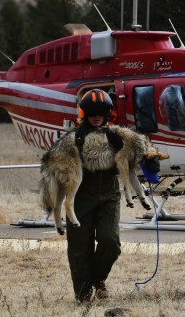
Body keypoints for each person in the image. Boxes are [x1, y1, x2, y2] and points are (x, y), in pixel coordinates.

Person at [68, 88, 124, 304]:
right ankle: (83, 295)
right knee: (80, 248)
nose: (97, 115)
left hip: (109, 194)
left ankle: (98, 278)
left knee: (110, 242)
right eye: (92, 111)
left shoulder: (117, 136)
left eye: (101, 111)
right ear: (84, 113)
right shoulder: (73, 139)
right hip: (81, 197)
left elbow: (133, 158)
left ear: (108, 113)